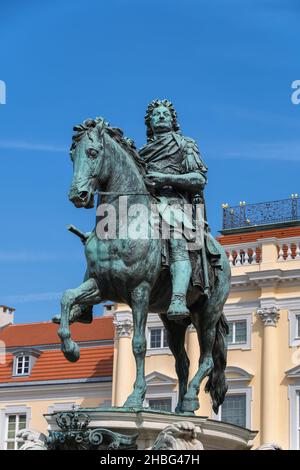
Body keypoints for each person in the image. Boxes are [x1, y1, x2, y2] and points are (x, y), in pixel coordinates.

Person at [139, 99, 208, 320]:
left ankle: (178, 296)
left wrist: (166, 178)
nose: (160, 116)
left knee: (175, 237)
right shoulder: (141, 152)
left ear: (173, 120)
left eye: (165, 114)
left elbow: (198, 178)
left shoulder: (185, 144)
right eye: (156, 114)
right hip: (144, 206)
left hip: (174, 202)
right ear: (149, 123)